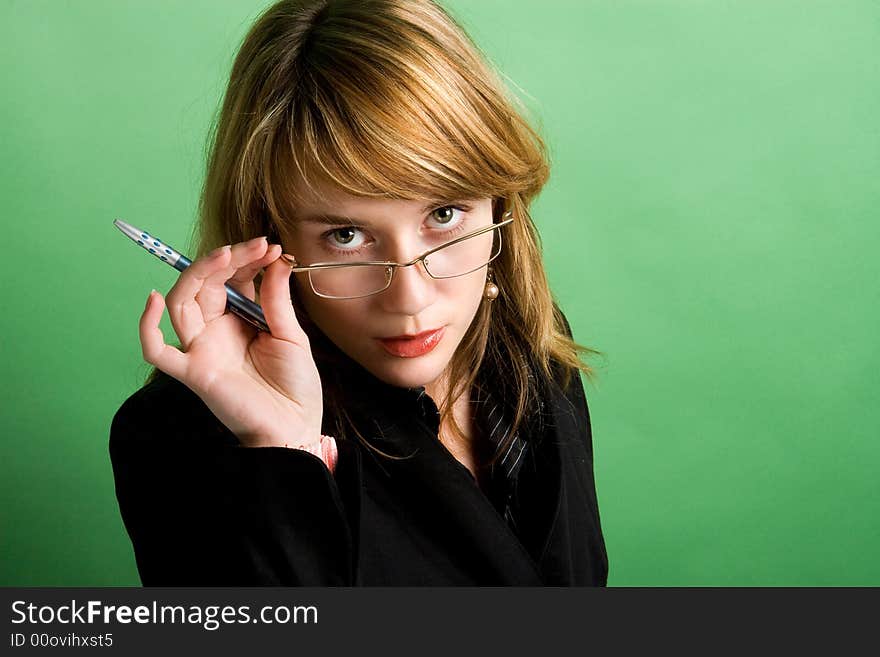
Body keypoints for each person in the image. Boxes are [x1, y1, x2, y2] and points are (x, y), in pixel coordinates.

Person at [109, 0, 608, 586]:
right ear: (268, 236)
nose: (411, 298)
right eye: (345, 235)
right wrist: (283, 455)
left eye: (445, 214)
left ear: (500, 201)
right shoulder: (183, 440)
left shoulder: (531, 346)